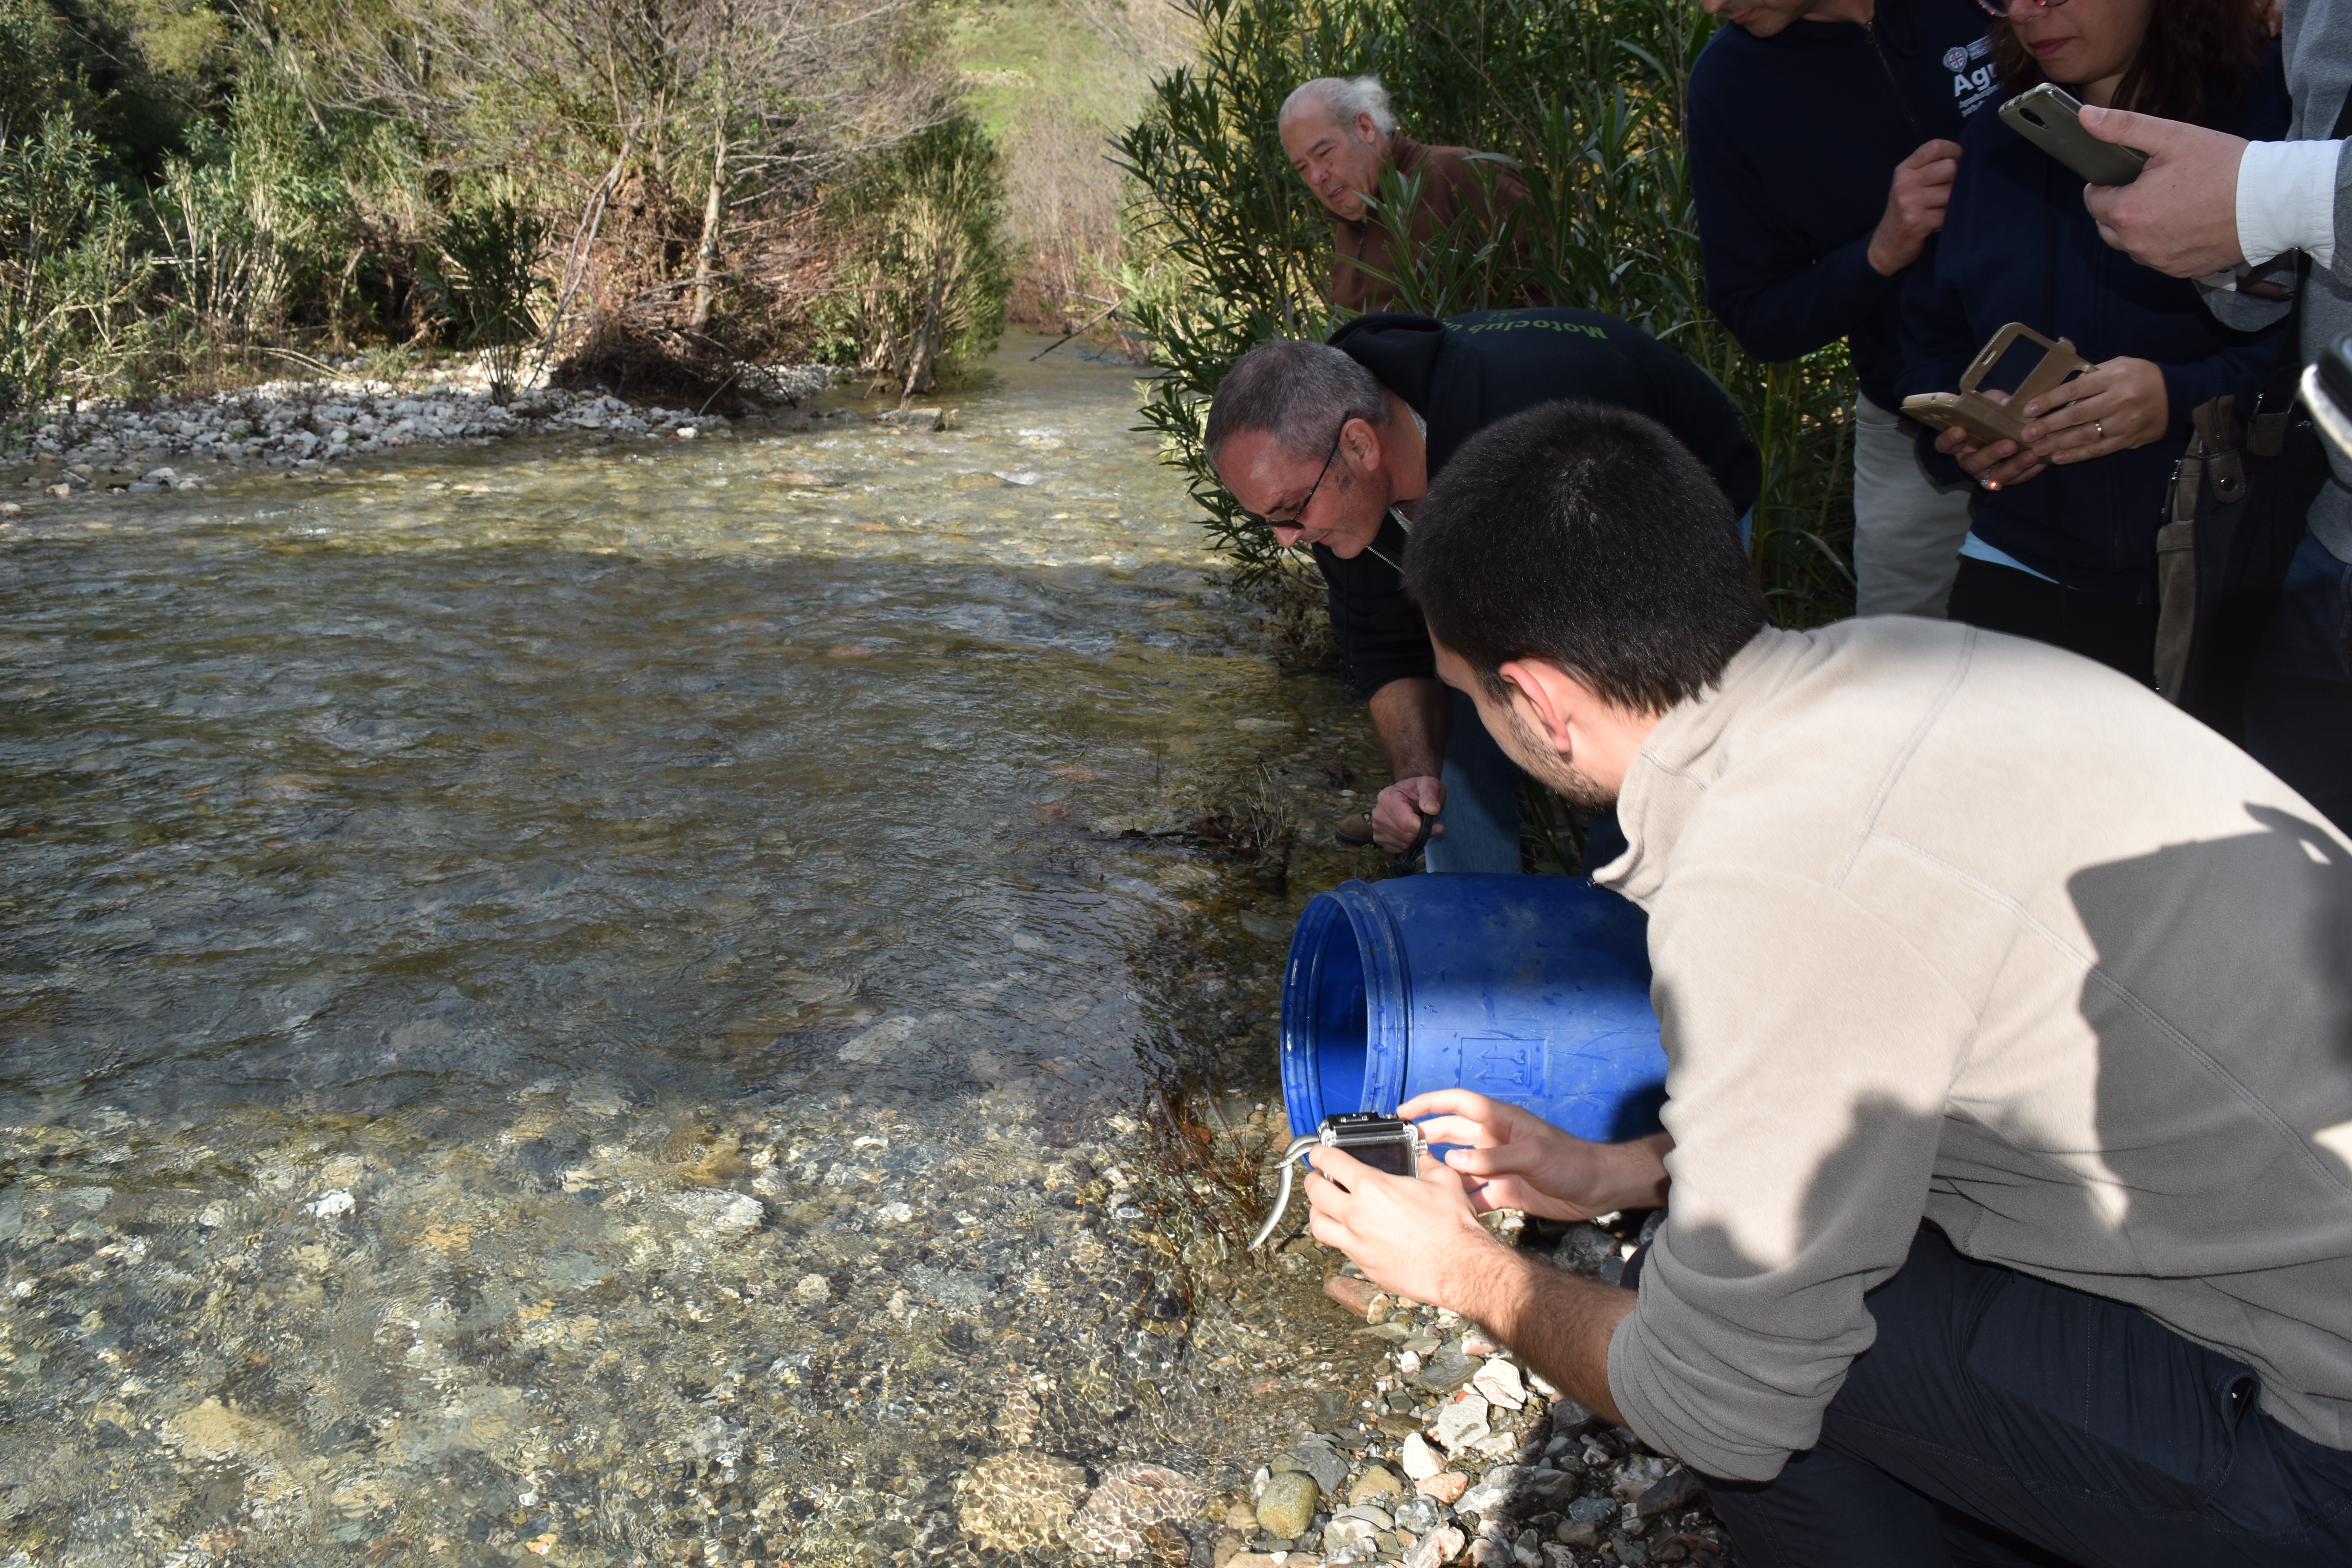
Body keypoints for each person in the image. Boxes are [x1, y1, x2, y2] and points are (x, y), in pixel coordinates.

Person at [1301, 398, 2352, 1566]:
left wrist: (1466, 1270)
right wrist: (1613, 1170)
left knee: (1764, 1375)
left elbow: (1715, 1399)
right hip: (2291, 1237)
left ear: (1542, 703)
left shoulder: (1767, 881)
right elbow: (1900, 1043)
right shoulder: (1911, 660)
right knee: (1742, 1267)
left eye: (1470, 697)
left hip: (2321, 1433)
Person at [1207, 309, 1759, 869]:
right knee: (1455, 763)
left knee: (1635, 745)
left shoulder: (1524, 428)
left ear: (1359, 445)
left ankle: (1629, 899)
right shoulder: (1336, 498)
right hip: (1511, 535)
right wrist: (1415, 779)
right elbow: (1384, 646)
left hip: (1664, 504)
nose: (1286, 539)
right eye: (1267, 520)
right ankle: (1470, 911)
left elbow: (1612, 677)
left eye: (1290, 510)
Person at [1896, 0, 2287, 683]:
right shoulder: (1995, 143)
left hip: (2234, 569)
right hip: (2020, 561)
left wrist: (2179, 400)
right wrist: (1965, 433)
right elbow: (1931, 340)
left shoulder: (2271, 125)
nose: (2027, 13)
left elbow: (2318, 349)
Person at [2069, 0, 2352, 832]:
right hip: (2328, 533)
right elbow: (2299, 255)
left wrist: (2269, 195)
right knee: (2291, 870)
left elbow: (2302, 193)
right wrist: (2231, 245)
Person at [1686, 0, 1997, 619]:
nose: (1713, 7)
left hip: (2088, 388)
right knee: (1901, 659)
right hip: (1915, 426)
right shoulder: (1729, 85)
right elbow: (1756, 312)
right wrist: (1879, 253)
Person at [1278, 76, 1537, 314]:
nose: (1317, 177)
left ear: (1365, 128)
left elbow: (1543, 292)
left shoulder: (1459, 173)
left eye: (1324, 154)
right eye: (1302, 168)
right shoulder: (1352, 216)